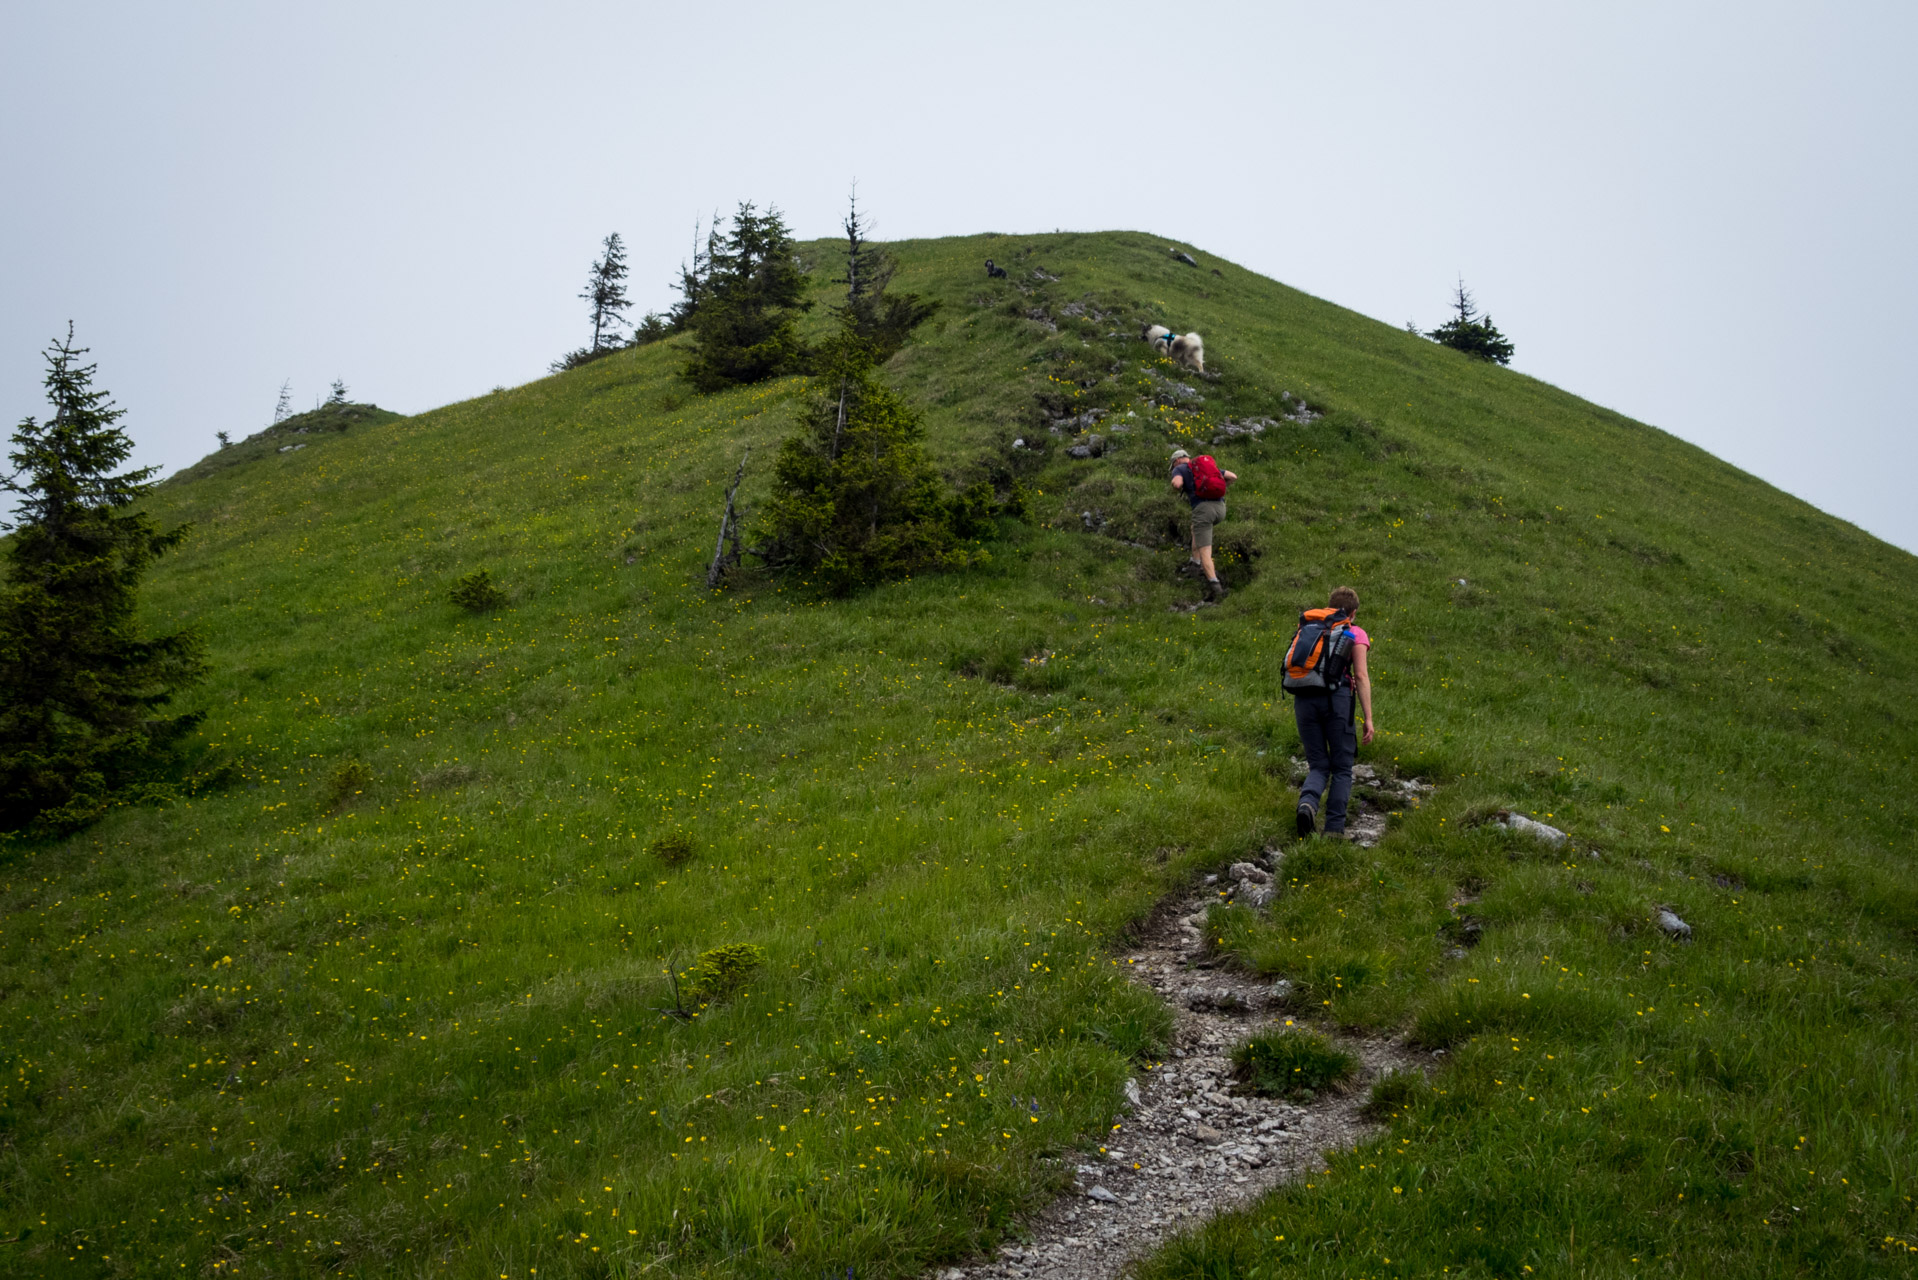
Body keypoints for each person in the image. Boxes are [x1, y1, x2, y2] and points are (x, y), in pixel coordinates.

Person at [1293, 585, 1376, 839]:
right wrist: (1368, 718)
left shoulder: (1308, 628)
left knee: (1318, 765)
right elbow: (1360, 675)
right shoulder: (1354, 632)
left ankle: (1307, 805)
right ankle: (1333, 831)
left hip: (1304, 699)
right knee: (1341, 767)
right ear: (1352, 612)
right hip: (1336, 700)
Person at [1168, 448, 1237, 599]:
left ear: (1177, 460)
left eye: (1173, 465)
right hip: (1220, 508)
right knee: (1196, 528)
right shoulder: (1203, 467)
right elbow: (1232, 476)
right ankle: (1194, 563)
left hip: (1203, 510)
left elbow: (1177, 484)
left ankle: (1215, 586)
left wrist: (1176, 486)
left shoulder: (1179, 468)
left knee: (1205, 550)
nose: (1174, 468)